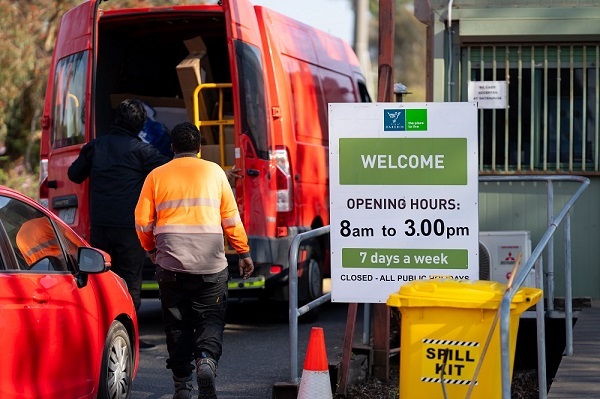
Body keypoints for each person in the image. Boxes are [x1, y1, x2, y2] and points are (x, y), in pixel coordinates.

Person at [134, 121, 254, 399]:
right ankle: (206, 361)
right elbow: (231, 219)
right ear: (199, 147)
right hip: (211, 264)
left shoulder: (156, 175)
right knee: (210, 319)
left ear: (172, 147)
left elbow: (142, 222)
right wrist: (244, 252)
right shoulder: (214, 172)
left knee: (176, 325)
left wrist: (152, 250)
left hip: (170, 265)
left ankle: (182, 385)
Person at [68, 98, 170, 351]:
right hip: (129, 229)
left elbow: (73, 174)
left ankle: (99, 333)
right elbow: (170, 173)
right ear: (140, 125)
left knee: (100, 279)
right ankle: (129, 338)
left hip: (100, 227)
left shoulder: (95, 147)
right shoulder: (143, 151)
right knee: (129, 282)